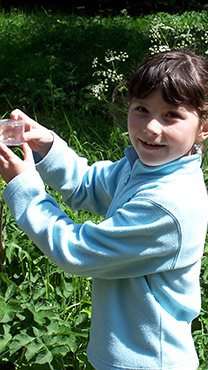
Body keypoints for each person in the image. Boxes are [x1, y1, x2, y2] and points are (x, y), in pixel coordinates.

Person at [0, 48, 207, 370]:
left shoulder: (168, 205)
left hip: (149, 361)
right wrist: (47, 147)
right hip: (119, 353)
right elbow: (87, 185)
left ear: (204, 127)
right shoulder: (145, 167)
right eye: (141, 109)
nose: (151, 127)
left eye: (171, 115)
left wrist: (25, 190)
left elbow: (76, 250)